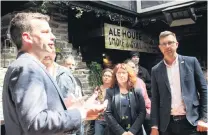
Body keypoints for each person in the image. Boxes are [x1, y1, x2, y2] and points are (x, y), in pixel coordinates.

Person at [2, 12, 107, 135]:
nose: (53, 37)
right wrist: (81, 113)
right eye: (45, 32)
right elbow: (36, 124)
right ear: (27, 37)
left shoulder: (29, 66)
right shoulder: (27, 68)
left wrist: (71, 108)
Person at [150, 31, 207, 135]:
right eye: (164, 44)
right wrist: (154, 126)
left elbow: (204, 90)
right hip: (167, 125)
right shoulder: (156, 70)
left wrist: (204, 118)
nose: (167, 46)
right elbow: (155, 99)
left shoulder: (191, 62)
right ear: (160, 47)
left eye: (170, 42)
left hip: (191, 122)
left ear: (176, 44)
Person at [105, 63, 146, 135]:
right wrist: (121, 132)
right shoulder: (109, 92)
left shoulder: (137, 91)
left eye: (123, 72)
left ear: (128, 74)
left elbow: (142, 112)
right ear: (115, 76)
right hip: (116, 132)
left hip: (135, 132)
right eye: (118, 73)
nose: (121, 75)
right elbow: (107, 113)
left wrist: (132, 131)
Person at [125, 59, 151, 135]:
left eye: (134, 67)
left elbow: (146, 98)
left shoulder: (140, 82)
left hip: (142, 112)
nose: (132, 69)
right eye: (129, 67)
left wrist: (149, 110)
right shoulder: (122, 82)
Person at [94, 68, 113, 135]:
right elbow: (94, 101)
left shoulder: (115, 89)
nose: (106, 77)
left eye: (109, 76)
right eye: (105, 75)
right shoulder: (97, 88)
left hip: (111, 119)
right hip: (99, 118)